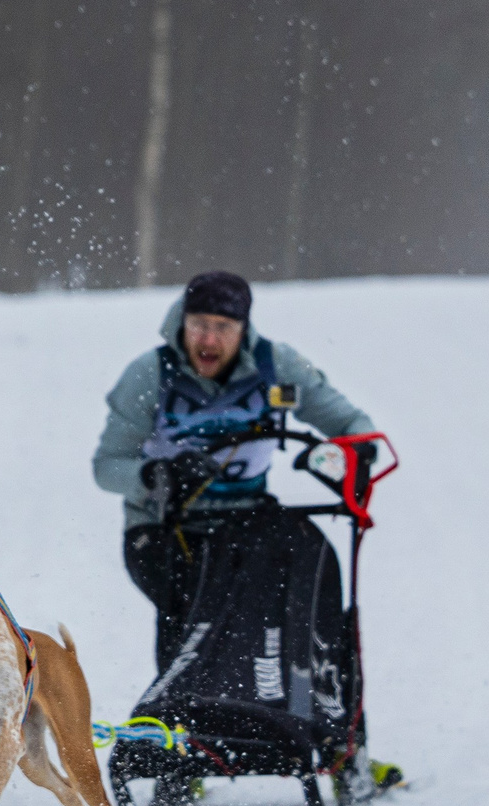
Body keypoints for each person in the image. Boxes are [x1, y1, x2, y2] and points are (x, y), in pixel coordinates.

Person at [92, 269, 374, 674]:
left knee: (312, 564)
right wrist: (157, 476)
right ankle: (185, 711)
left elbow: (352, 423)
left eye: (222, 328)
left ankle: (312, 699)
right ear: (181, 323)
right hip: (163, 526)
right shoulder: (150, 374)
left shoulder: (277, 366)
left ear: (244, 329)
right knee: (203, 595)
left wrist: (357, 453)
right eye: (199, 326)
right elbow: (106, 467)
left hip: (248, 515)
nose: (208, 340)